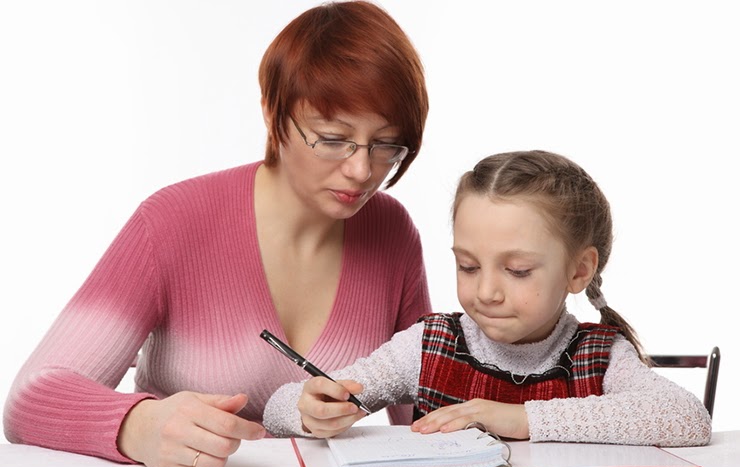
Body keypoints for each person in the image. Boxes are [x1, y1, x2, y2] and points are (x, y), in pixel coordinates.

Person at [3, 1, 431, 467]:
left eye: (386, 144)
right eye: (332, 138)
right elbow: (30, 399)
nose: (361, 170)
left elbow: (428, 416)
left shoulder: (392, 232)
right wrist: (138, 425)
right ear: (272, 113)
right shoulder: (172, 221)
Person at [263, 150, 712, 447]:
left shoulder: (599, 357)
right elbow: (277, 407)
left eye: (517, 271)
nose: (486, 292)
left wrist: (518, 418)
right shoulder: (428, 346)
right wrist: (309, 410)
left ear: (579, 270)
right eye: (468, 266)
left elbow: (687, 418)